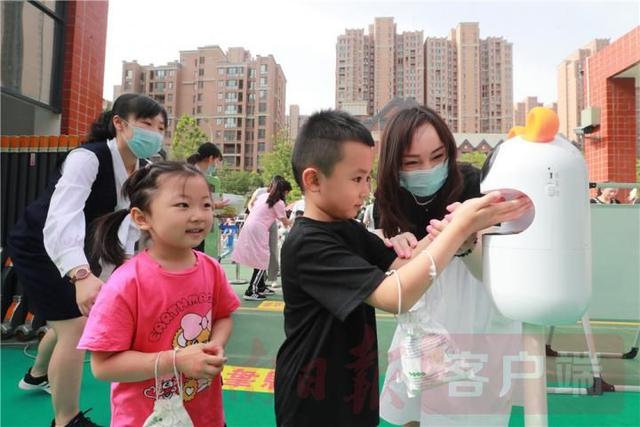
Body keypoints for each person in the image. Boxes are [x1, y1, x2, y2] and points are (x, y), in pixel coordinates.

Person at [273, 110, 531, 427]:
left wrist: (447, 228)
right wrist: (459, 228)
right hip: (313, 401)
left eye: (368, 178)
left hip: (353, 388)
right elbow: (395, 296)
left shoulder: (349, 229)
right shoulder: (308, 244)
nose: (366, 190)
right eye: (357, 179)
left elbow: (400, 263)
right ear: (313, 180)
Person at [7, 93, 166, 427]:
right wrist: (80, 275)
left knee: (71, 317)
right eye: (146, 123)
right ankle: (66, 420)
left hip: (87, 247)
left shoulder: (146, 170)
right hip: (40, 245)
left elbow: (133, 225)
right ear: (119, 124)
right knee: (77, 326)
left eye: (161, 126)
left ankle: (37, 375)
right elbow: (62, 219)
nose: (155, 132)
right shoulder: (87, 158)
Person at [374, 106, 523, 426]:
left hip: (477, 311)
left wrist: (466, 244)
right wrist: (399, 248)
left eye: (438, 156)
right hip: (420, 315)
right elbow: (392, 277)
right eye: (412, 163)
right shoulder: (387, 198)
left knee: (464, 410)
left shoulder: (473, 185)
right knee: (411, 410)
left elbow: (496, 276)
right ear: (394, 166)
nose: (427, 169)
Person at [77, 161, 240, 426]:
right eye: (183, 205)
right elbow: (103, 365)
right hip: (145, 418)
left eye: (206, 204)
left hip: (206, 416)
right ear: (142, 218)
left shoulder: (211, 269)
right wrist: (176, 361)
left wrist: (215, 345)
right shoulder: (127, 283)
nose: (199, 215)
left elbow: (223, 316)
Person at [232, 177, 292, 300]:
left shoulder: (264, 196)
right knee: (262, 258)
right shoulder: (278, 202)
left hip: (250, 225)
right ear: (283, 191)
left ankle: (260, 286)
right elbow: (285, 222)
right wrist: (298, 219)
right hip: (258, 229)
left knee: (260, 256)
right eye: (287, 192)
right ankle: (251, 290)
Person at [187, 142, 229, 254]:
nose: (216, 165)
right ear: (210, 158)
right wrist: (215, 205)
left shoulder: (196, 174)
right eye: (216, 161)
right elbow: (193, 203)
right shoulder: (194, 175)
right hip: (190, 227)